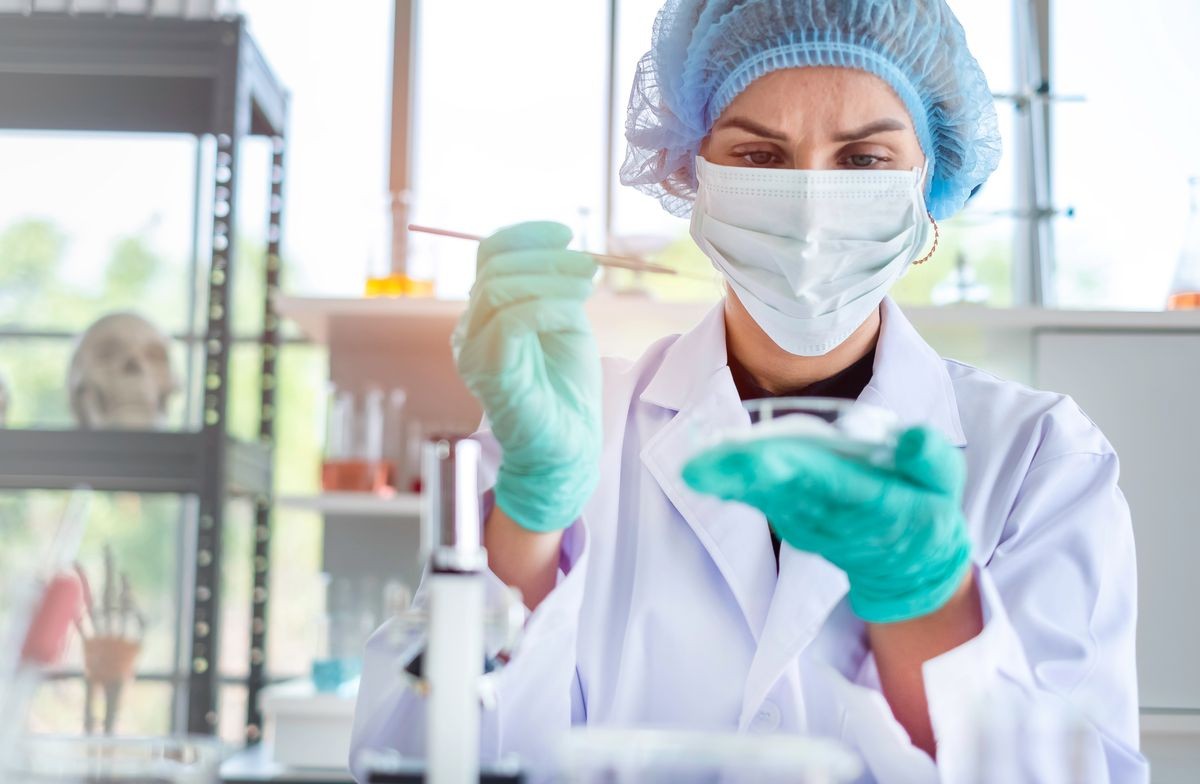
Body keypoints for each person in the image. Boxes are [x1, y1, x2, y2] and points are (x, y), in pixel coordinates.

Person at [352, 1, 1148, 781]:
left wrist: (928, 602)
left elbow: (1081, 771)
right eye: (759, 157)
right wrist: (529, 518)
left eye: (864, 160)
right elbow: (422, 758)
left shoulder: (1043, 458)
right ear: (689, 174)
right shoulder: (564, 430)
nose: (809, 204)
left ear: (930, 178)